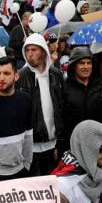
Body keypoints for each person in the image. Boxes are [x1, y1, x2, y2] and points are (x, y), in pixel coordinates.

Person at [17, 33, 65, 176]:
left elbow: (62, 107)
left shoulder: (56, 75)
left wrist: (61, 140)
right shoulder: (20, 77)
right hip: (30, 147)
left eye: (34, 50)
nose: (30, 54)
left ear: (43, 51)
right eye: (27, 50)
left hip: (54, 144)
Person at [62, 47, 102, 150]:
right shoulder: (65, 88)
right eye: (82, 63)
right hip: (73, 144)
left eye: (89, 63)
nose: (86, 67)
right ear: (74, 66)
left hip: (99, 144)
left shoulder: (101, 86)